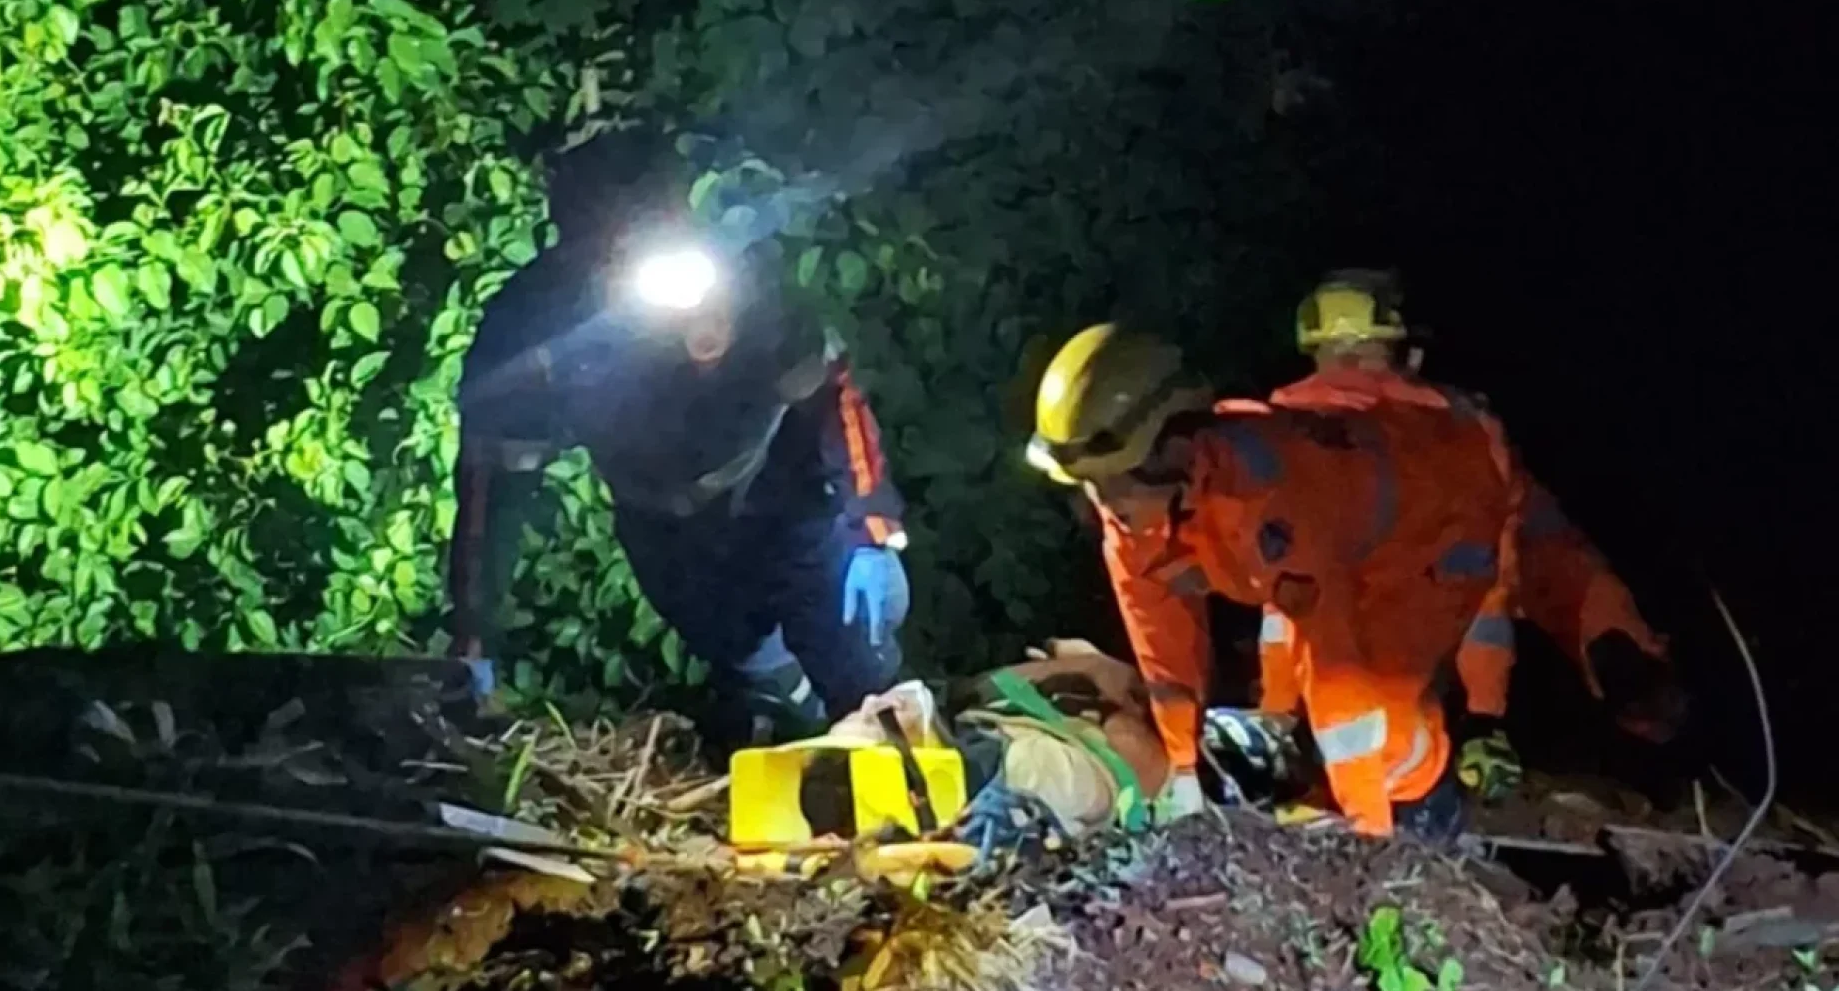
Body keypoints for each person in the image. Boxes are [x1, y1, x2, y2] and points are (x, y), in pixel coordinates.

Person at [448, 134, 910, 748]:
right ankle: (796, 760)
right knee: (762, 684)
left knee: (859, 670)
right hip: (665, 531)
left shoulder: (739, 291)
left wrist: (869, 524)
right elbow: (491, 488)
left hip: (795, 502)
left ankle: (914, 789)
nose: (619, 257)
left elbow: (832, 394)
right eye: (599, 244)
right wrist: (474, 637)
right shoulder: (534, 323)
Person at [1025, 324, 1519, 839]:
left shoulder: (1272, 496)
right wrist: (1183, 767)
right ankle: (1327, 782)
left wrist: (1367, 836)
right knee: (1292, 699)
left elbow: (1338, 669)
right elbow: (1163, 644)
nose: (1105, 502)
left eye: (1115, 480)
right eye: (1088, 484)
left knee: (1383, 730)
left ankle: (1427, 810)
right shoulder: (1136, 509)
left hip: (1436, 528)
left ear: (1173, 449)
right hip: (1323, 554)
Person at [1281, 272, 1685, 754]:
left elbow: (1501, 576)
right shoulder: (1448, 429)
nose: (1345, 372)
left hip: (1400, 601)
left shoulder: (1283, 421)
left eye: (1355, 354)